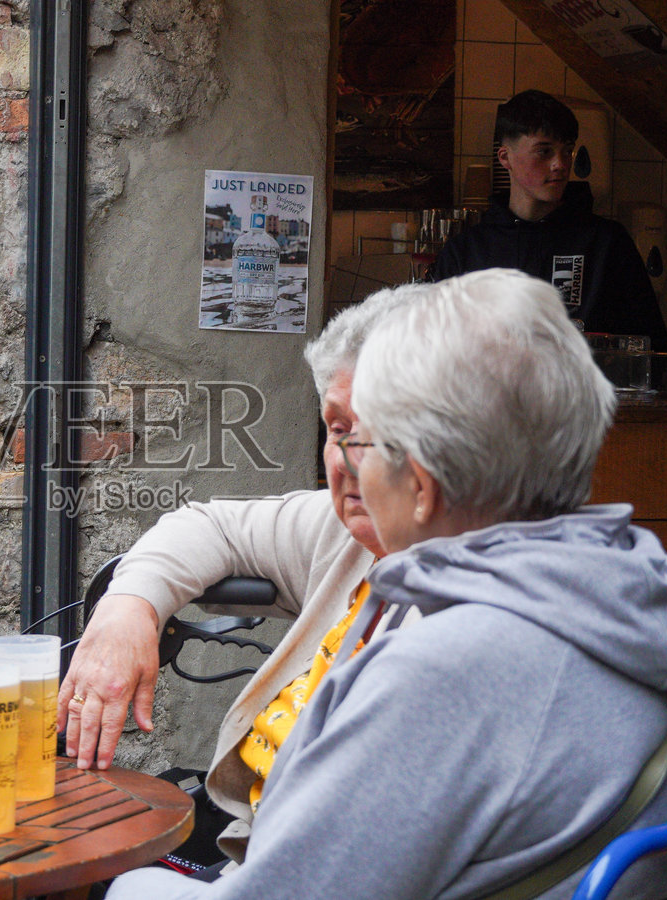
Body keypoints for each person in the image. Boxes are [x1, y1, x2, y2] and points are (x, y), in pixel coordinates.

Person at [107, 269, 667, 899]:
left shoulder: (443, 673)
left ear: (420, 486)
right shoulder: (625, 591)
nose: (346, 466)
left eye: (364, 439)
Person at [61, 286, 432, 863]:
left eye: (380, 430)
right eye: (336, 428)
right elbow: (213, 526)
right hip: (247, 828)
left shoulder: (470, 610)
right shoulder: (352, 531)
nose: (348, 460)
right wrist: (127, 605)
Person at [429, 89, 667, 351]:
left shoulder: (606, 244)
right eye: (544, 152)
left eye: (567, 151)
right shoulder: (467, 253)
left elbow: (652, 352)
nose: (560, 164)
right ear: (505, 158)